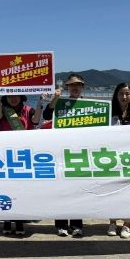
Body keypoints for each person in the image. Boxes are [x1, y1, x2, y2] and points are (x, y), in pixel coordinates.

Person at [0, 89, 43, 236]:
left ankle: (20, 221)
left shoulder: (28, 110)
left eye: (16, 95)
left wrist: (41, 101)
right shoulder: (2, 110)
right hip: (5, 155)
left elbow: (35, 120)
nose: (13, 98)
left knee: (22, 190)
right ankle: (7, 220)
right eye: (10, 96)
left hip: (23, 156)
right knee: (6, 189)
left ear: (21, 96)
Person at [43, 73, 87, 237]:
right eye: (72, 85)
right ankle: (61, 225)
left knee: (78, 192)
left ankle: (76, 225)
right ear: (67, 87)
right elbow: (47, 116)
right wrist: (55, 98)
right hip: (61, 152)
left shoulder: (92, 105)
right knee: (61, 190)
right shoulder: (61, 103)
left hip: (81, 153)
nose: (75, 87)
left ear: (82, 87)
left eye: (78, 84)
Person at [107, 83, 130, 239]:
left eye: (127, 93)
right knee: (111, 190)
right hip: (111, 156)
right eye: (121, 93)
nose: (124, 96)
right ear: (116, 95)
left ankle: (127, 224)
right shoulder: (108, 111)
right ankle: (112, 222)